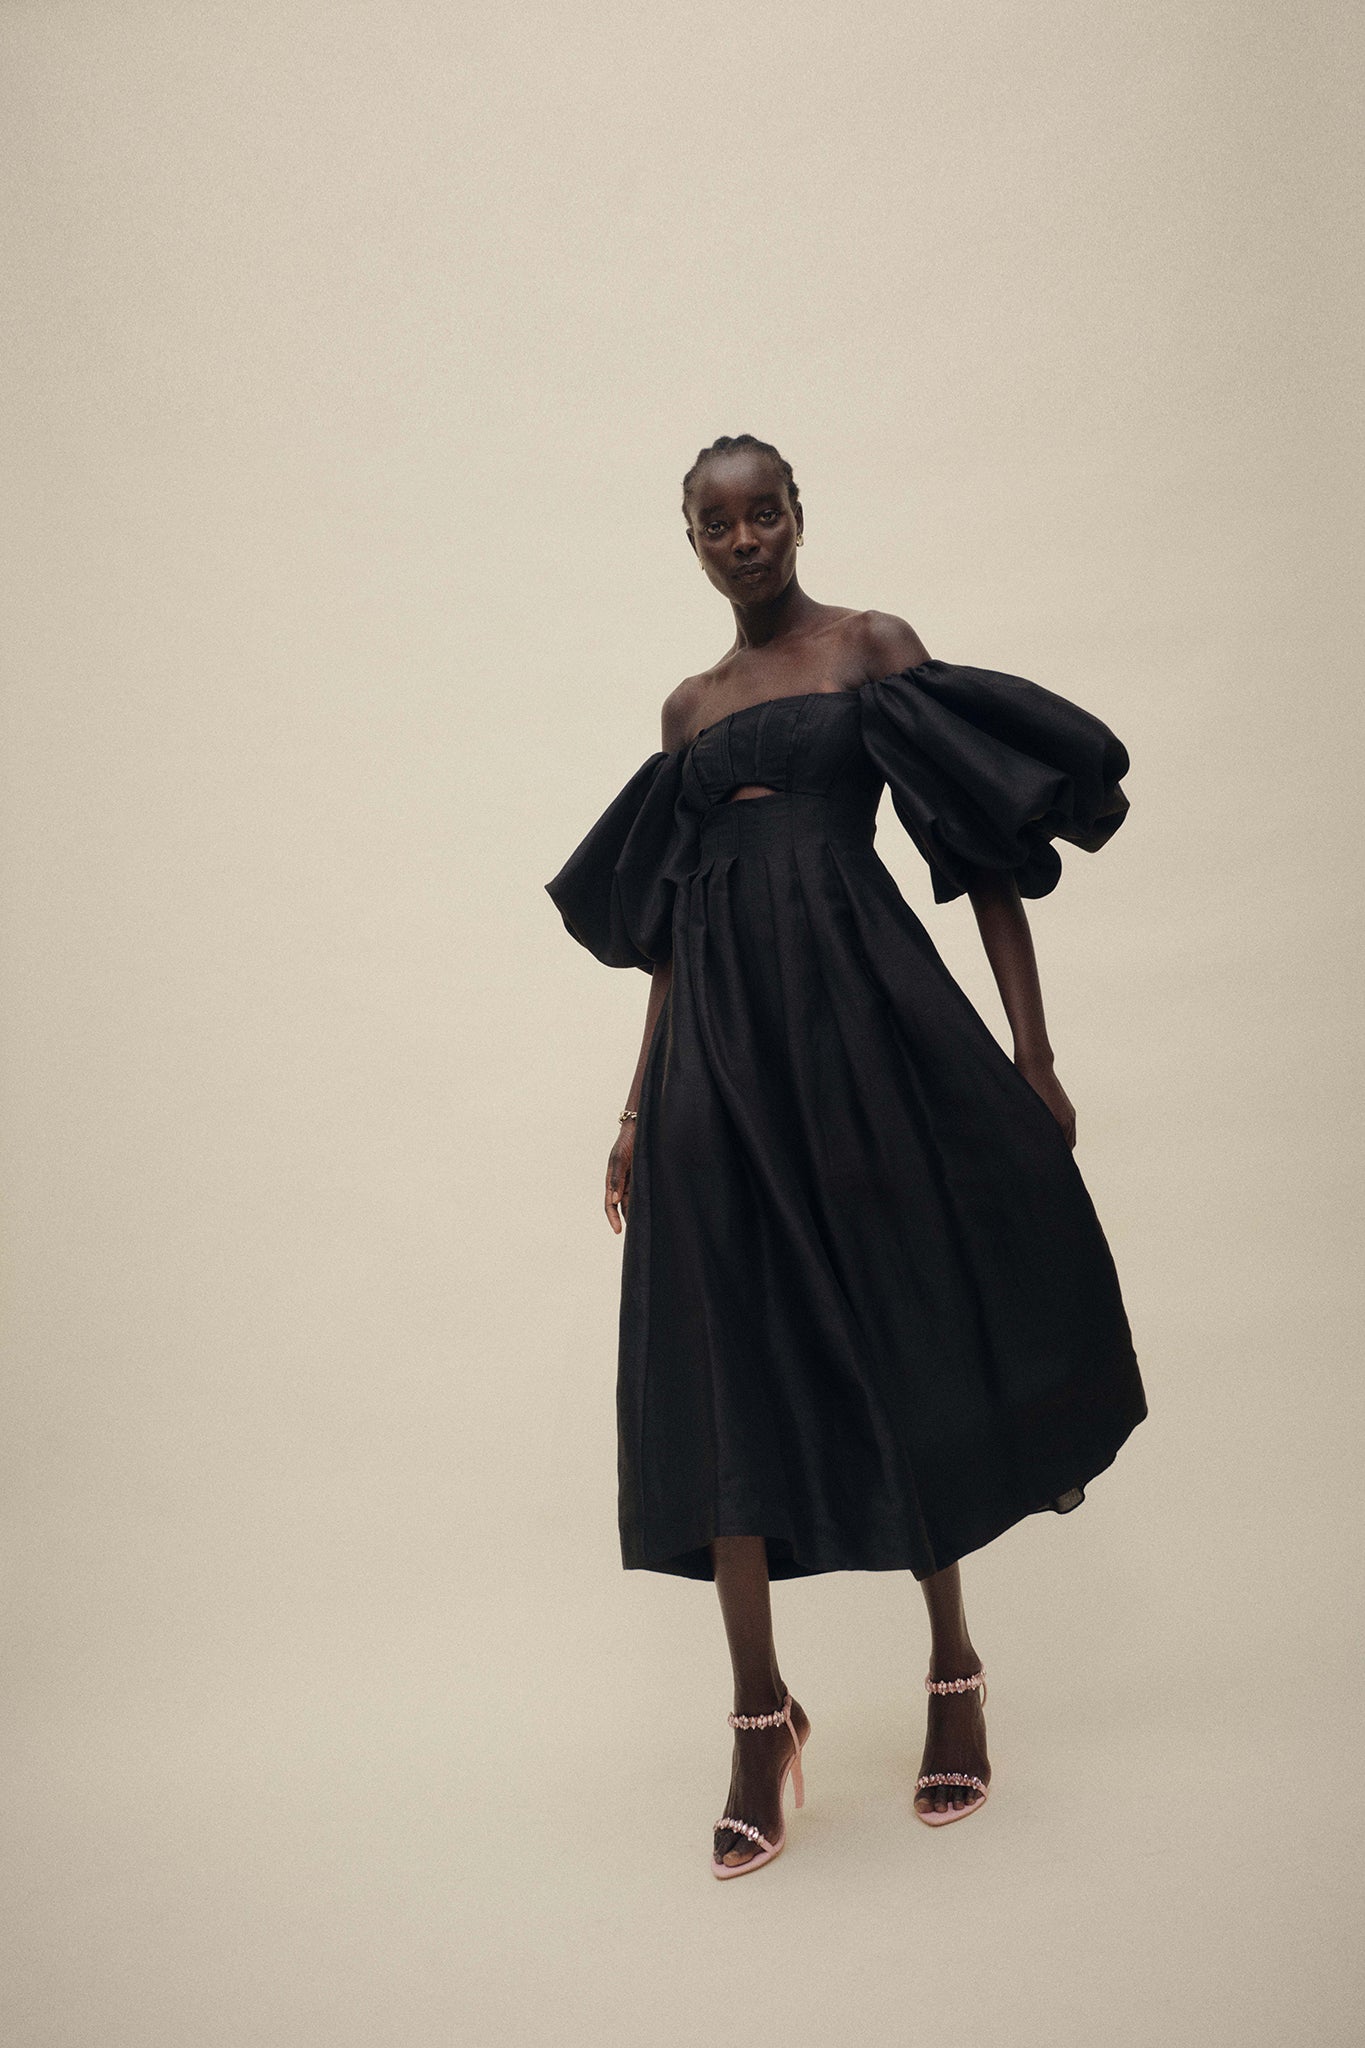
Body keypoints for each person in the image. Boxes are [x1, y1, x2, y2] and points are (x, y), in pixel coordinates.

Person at [545, 433, 1146, 1877]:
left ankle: (953, 1668)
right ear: (691, 542)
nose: (743, 540)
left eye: (763, 514)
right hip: (714, 1059)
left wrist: (1034, 1054)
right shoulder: (689, 710)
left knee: (899, 1325)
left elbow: (980, 853)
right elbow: (668, 935)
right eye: (716, 524)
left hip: (857, 1030)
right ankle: (760, 1716)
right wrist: (635, 1110)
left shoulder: (870, 649)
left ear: (798, 517)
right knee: (718, 1362)